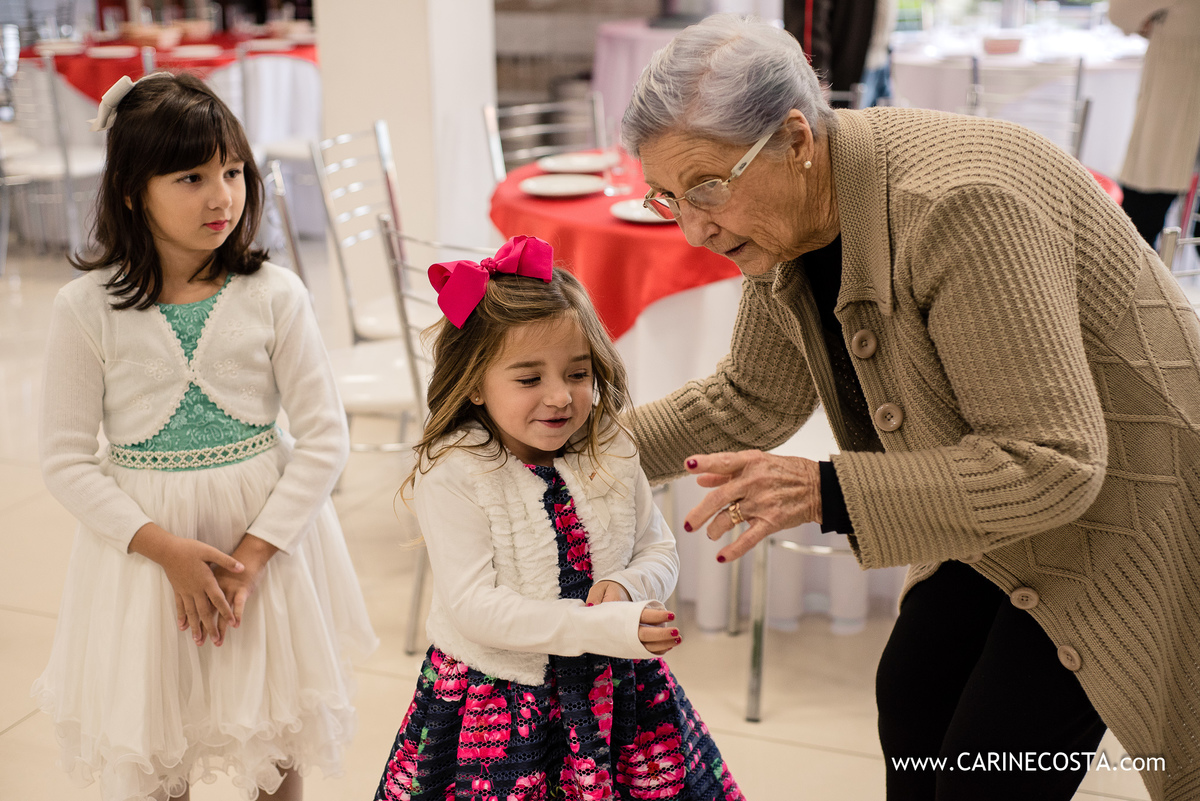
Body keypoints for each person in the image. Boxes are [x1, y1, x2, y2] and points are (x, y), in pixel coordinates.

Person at [621, 14, 1200, 801]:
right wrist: (575, 448)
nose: (692, 227)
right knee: (914, 695)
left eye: (707, 189)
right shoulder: (789, 220)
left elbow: (1055, 463)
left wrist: (826, 490)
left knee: (987, 761)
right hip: (1012, 506)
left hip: (1136, 505)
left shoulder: (958, 205)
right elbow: (748, 397)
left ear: (796, 139)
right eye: (667, 198)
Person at [32, 72, 377, 801]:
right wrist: (164, 549)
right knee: (158, 746)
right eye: (190, 176)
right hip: (146, 561)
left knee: (275, 742)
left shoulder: (276, 294)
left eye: (231, 172)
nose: (221, 195)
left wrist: (250, 558)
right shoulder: (84, 309)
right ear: (131, 187)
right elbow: (64, 458)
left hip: (265, 551)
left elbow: (323, 439)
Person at [372, 236, 742, 801]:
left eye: (576, 373)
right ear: (473, 382)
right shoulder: (456, 473)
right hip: (499, 706)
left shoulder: (610, 448)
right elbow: (476, 609)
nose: (560, 397)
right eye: (528, 379)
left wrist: (626, 586)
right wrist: (600, 626)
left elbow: (657, 548)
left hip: (619, 692)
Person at [1109, 0, 1200, 247]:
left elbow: (1119, 12)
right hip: (1179, 99)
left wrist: (1154, 22)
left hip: (1177, 99)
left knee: (1137, 223)